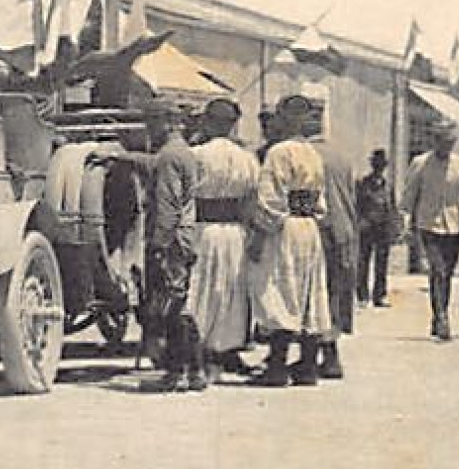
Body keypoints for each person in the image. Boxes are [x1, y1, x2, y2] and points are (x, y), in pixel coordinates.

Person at [246, 94, 332, 387]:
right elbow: (321, 200)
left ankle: (278, 367)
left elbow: (270, 198)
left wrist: (260, 234)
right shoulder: (313, 153)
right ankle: (307, 366)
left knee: (281, 288)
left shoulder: (278, 152)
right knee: (309, 291)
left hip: (284, 228)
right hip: (309, 226)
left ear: (283, 118)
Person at [188, 98, 259, 380]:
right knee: (228, 290)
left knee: (201, 289)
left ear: (208, 122)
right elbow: (252, 201)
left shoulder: (197, 155)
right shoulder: (247, 159)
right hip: (235, 232)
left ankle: (200, 352)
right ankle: (221, 351)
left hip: (203, 229)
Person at [402, 122, 459, 341]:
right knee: (437, 269)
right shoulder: (420, 164)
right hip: (428, 224)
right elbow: (409, 196)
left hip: (454, 225)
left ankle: (439, 312)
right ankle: (441, 318)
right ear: (435, 142)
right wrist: (405, 221)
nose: (446, 147)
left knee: (446, 273)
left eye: (450, 143)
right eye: (443, 143)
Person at [140, 101, 203, 392]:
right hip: (186, 236)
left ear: (168, 122)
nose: (148, 128)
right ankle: (195, 371)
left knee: (171, 307)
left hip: (172, 240)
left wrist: (158, 245)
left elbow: (168, 207)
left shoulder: (168, 157)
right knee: (180, 302)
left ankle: (177, 372)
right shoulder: (183, 153)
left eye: (151, 121)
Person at [304, 90, 357, 379]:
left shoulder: (303, 154)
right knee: (335, 294)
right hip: (344, 232)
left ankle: (312, 358)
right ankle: (331, 355)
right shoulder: (342, 156)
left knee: (313, 294)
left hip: (317, 230)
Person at [356, 149, 398, 307]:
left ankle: (379, 295)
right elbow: (358, 205)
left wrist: (393, 227)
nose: (379, 167)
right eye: (376, 164)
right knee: (363, 262)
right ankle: (362, 296)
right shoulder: (363, 184)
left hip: (383, 227)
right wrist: (360, 222)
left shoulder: (388, 186)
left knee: (382, 263)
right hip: (367, 227)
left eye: (381, 165)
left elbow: (391, 207)